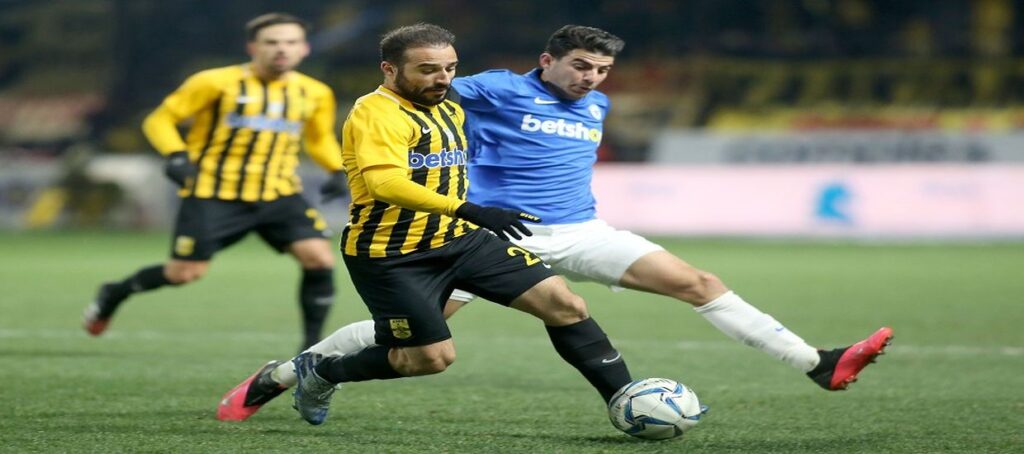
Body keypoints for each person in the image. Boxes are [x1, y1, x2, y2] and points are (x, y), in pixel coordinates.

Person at [217, 25, 892, 422]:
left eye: (603, 70)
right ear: (547, 61)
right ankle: (298, 372)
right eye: (581, 66)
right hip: (493, 231)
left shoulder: (596, 106)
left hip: (580, 231)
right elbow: (417, 100)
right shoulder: (488, 89)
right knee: (415, 343)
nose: (592, 78)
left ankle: (816, 363)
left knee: (696, 282)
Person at [220, 23, 633, 425]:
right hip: (393, 253)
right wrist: (469, 209)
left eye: (450, 68)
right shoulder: (375, 112)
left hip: (461, 240)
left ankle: (626, 401)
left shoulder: (449, 108)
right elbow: (385, 184)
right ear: (390, 69)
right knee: (428, 359)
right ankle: (322, 371)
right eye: (428, 69)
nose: (443, 78)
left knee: (565, 304)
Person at [82, 13, 350, 350]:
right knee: (184, 273)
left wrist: (335, 169)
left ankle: (311, 349)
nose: (282, 49)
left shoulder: (315, 92)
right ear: (252, 47)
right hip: (213, 193)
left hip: (279, 193)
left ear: (304, 48)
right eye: (272, 42)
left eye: (290, 42)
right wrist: (176, 155)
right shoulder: (214, 82)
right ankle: (114, 292)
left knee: (319, 258)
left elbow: (319, 138)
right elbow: (160, 120)